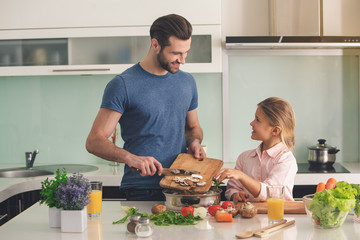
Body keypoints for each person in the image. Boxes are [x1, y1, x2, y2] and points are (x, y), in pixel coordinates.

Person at [85, 14, 206, 201]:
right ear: (155, 45)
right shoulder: (123, 84)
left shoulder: (187, 82)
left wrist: (194, 143)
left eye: (186, 52)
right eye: (176, 53)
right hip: (141, 189)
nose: (182, 60)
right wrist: (131, 158)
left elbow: (192, 127)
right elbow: (94, 141)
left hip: (181, 186)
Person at [215, 97, 297, 203]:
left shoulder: (286, 160)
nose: (251, 123)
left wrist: (241, 176)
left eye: (257, 120)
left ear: (275, 130)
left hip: (279, 218)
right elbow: (231, 189)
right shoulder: (244, 158)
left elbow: (271, 194)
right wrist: (235, 195)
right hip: (248, 219)